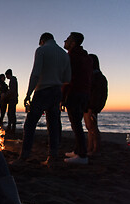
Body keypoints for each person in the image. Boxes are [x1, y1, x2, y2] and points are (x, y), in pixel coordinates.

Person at [18, 32, 71, 165]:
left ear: (42, 40)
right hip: (57, 91)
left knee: (30, 124)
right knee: (53, 125)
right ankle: (52, 156)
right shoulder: (64, 54)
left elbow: (35, 73)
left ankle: (24, 156)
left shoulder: (41, 50)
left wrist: (28, 93)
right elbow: (67, 78)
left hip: (42, 91)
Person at [62, 32, 93, 164]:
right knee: (77, 123)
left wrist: (62, 97)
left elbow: (67, 78)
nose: (65, 40)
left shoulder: (71, 57)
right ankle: (77, 150)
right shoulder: (86, 57)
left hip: (74, 93)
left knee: (76, 124)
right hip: (84, 93)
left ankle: (82, 155)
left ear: (73, 43)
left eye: (68, 39)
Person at [83, 54, 108, 156]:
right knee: (89, 127)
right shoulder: (93, 76)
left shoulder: (97, 77)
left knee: (92, 127)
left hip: (92, 105)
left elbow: (99, 94)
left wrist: (94, 107)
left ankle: (96, 149)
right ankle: (90, 148)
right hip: (88, 105)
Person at [5, 69, 19, 135]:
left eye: (6, 75)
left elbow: (12, 90)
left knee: (11, 114)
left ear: (8, 74)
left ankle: (12, 129)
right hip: (13, 99)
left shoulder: (12, 80)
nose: (6, 77)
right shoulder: (13, 80)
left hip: (12, 99)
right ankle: (10, 128)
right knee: (11, 114)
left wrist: (6, 94)